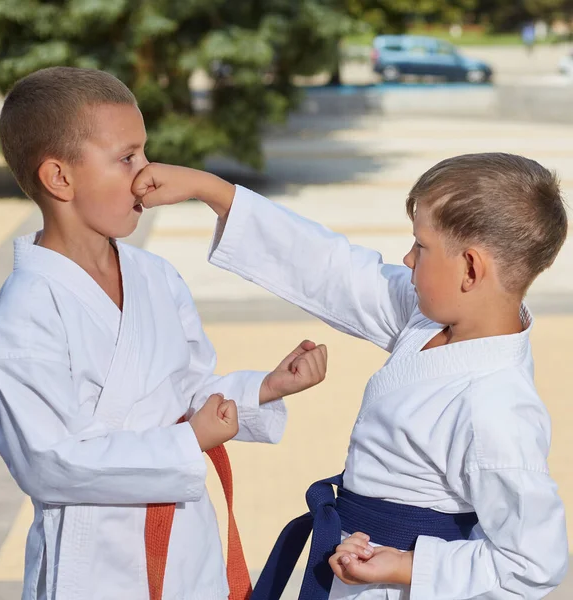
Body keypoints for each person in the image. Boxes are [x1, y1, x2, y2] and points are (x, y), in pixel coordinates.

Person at [130, 153, 569, 599]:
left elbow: (531, 562)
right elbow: (335, 271)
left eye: (421, 246)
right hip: (354, 570)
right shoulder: (430, 321)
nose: (407, 256)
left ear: (471, 269)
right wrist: (215, 193)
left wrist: (407, 566)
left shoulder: (495, 405)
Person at [0, 66, 328, 600]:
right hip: (93, 562)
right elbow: (47, 461)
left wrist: (263, 388)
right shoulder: (29, 306)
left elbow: (187, 391)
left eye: (144, 153)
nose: (147, 175)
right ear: (60, 178)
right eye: (127, 158)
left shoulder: (154, 276)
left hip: (186, 542)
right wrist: (187, 442)